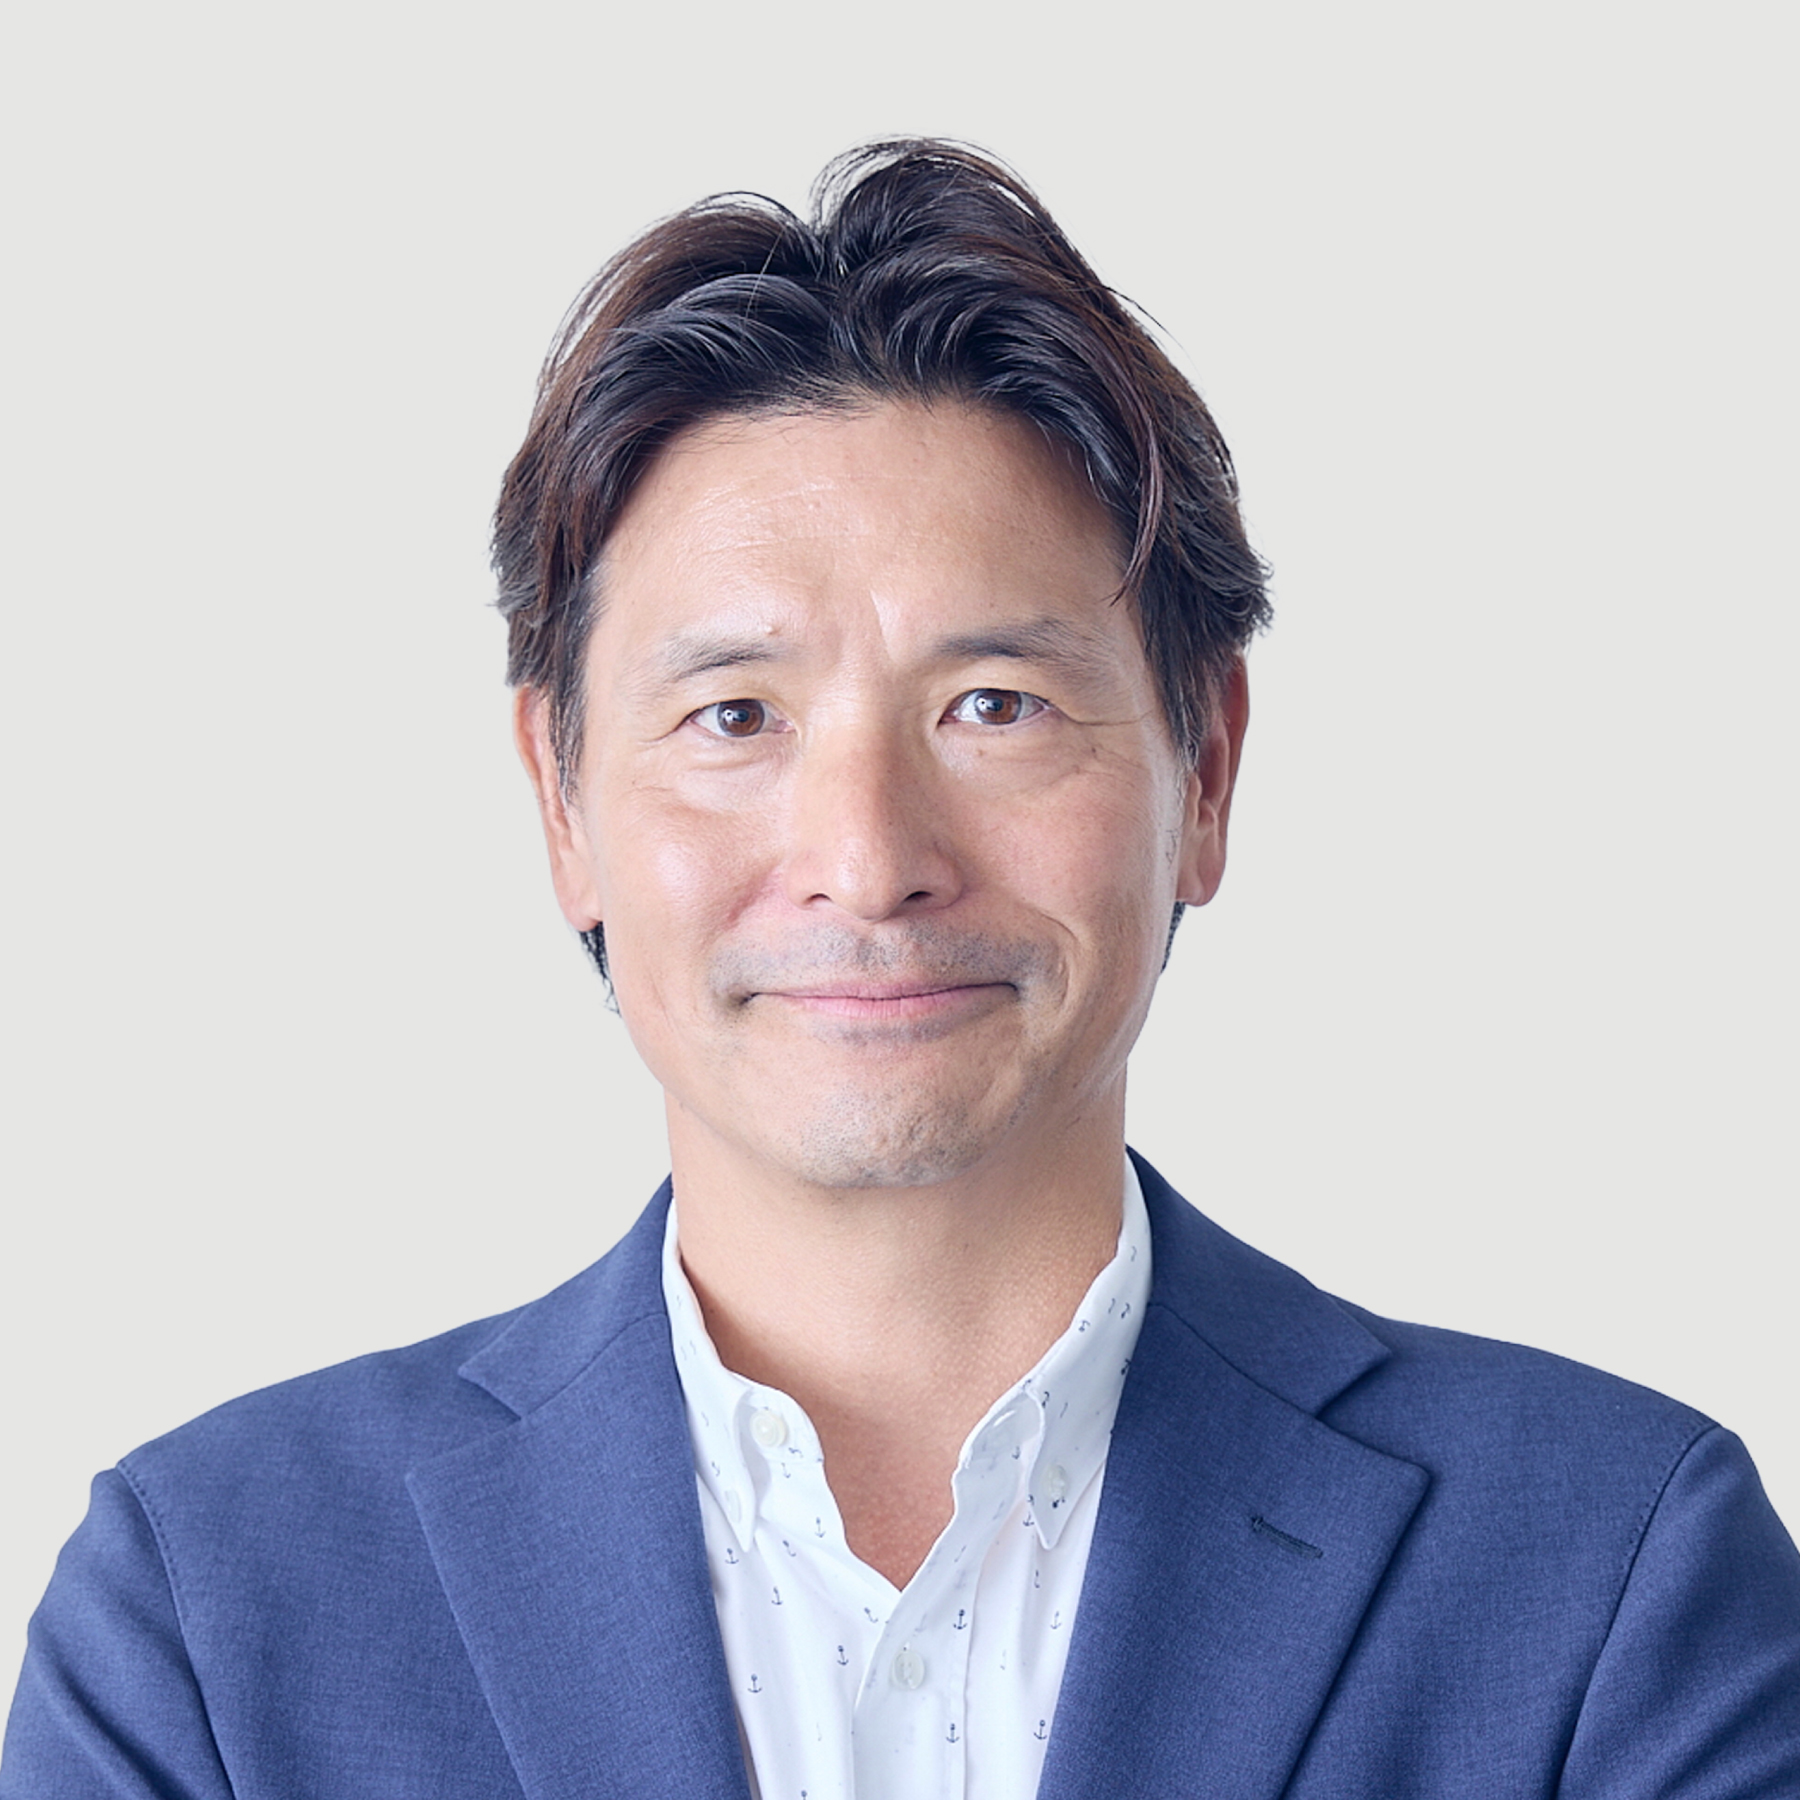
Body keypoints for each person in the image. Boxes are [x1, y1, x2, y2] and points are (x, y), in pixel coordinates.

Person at [4, 138, 1797, 1800]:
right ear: (562, 801)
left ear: (1208, 772)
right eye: (734, 716)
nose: (868, 860)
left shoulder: (1613, 1574)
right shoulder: (209, 1614)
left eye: (993, 706)